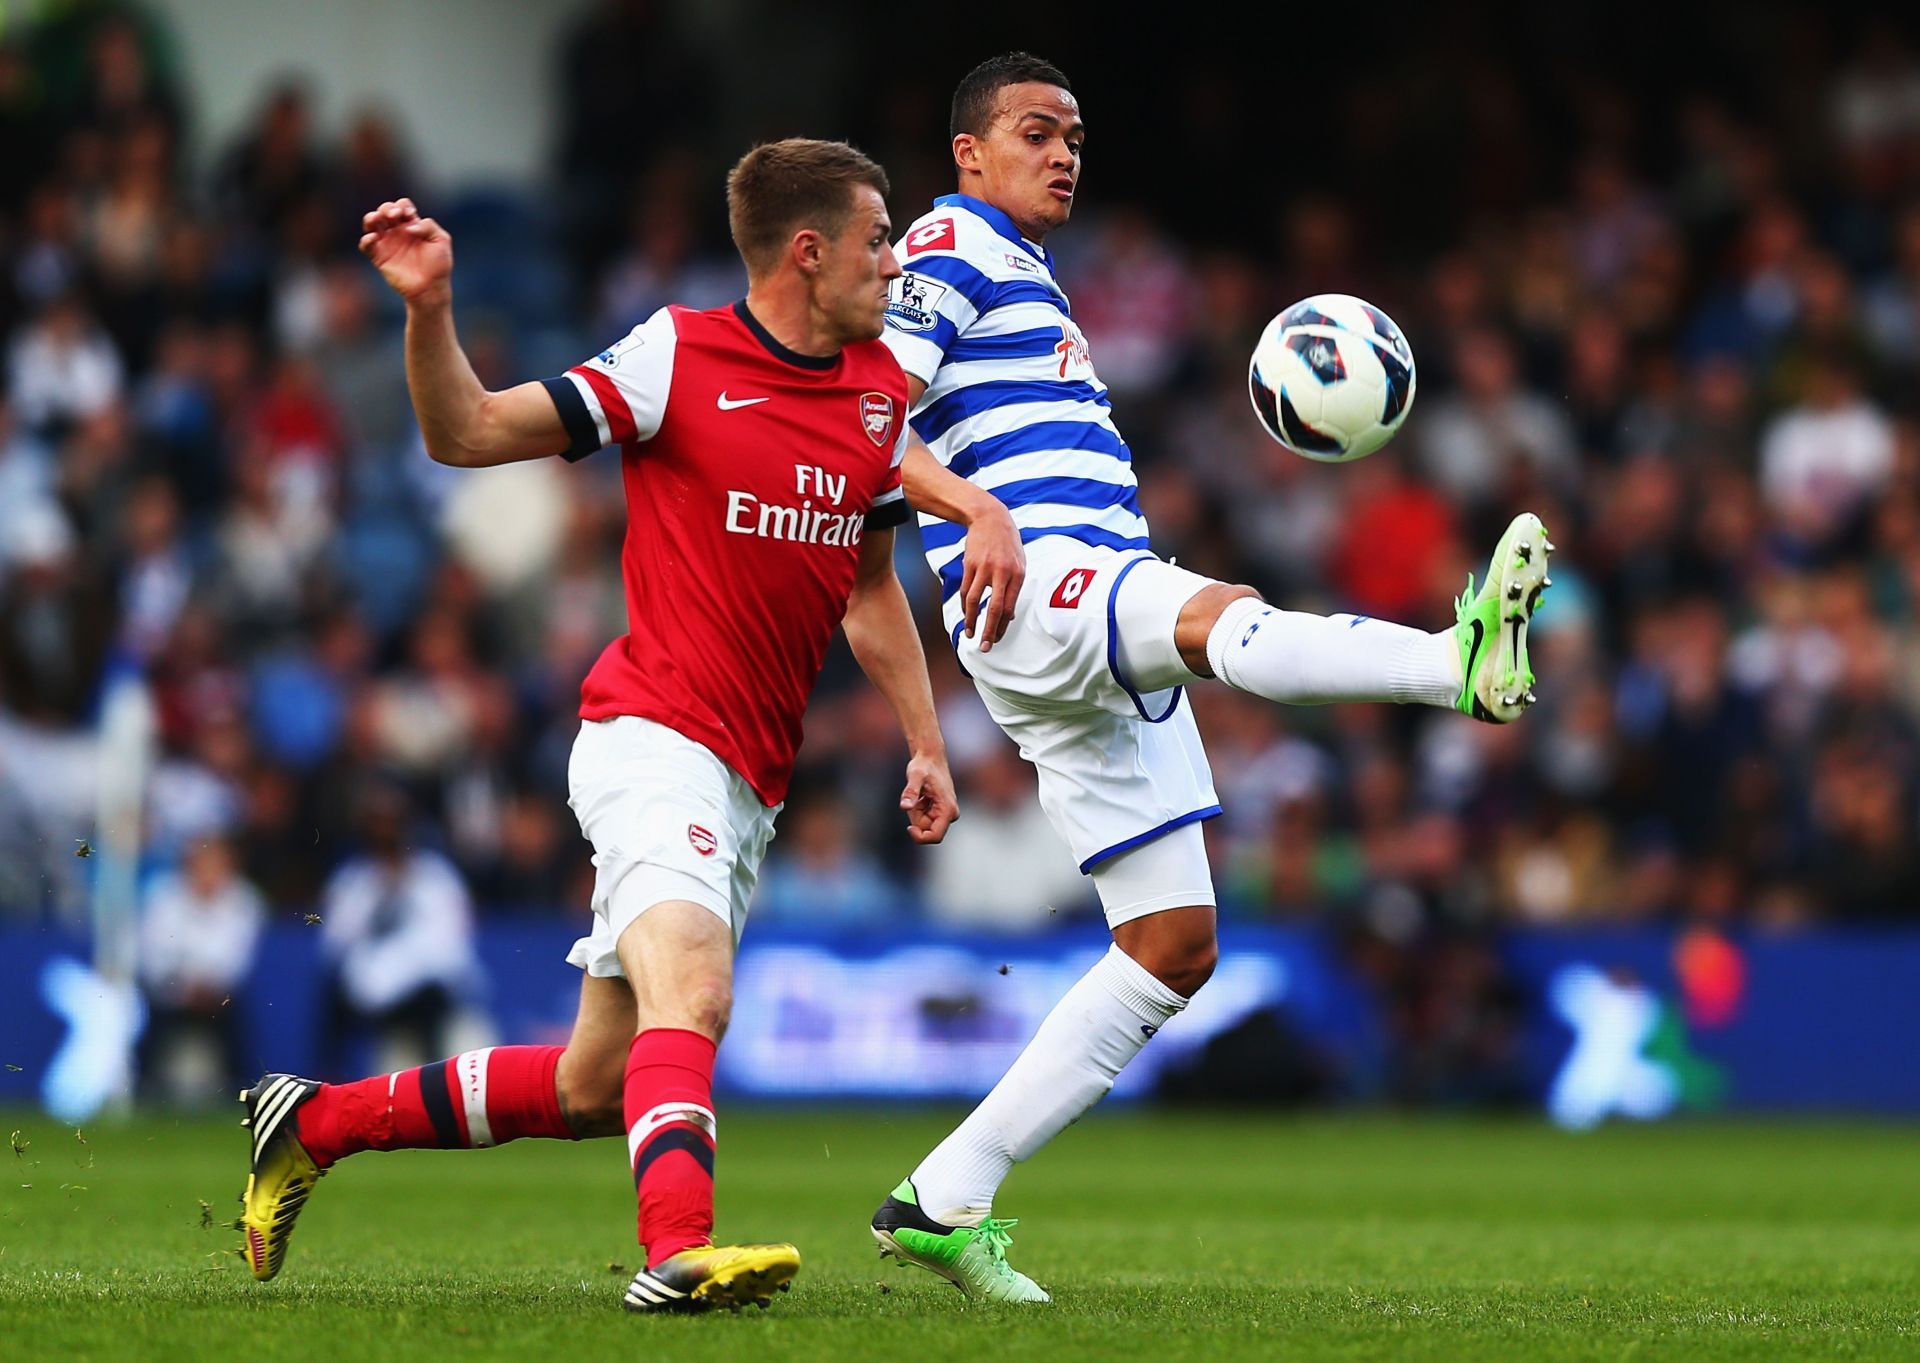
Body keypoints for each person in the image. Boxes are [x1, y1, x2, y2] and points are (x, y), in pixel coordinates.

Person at [866, 52, 1554, 1302]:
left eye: (1075, 134)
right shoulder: (949, 245)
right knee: (1218, 613)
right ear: (969, 151)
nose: (1064, 152)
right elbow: (859, 414)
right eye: (1035, 131)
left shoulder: (1023, 266)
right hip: (1033, 584)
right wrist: (979, 511)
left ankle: (942, 1196)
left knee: (1174, 945)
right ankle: (1457, 664)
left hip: (1064, 605)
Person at [237, 139, 961, 1315]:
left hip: (750, 778)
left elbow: (873, 585)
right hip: (652, 733)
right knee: (700, 993)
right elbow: (465, 431)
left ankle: (311, 1119)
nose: (897, 260)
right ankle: (676, 1254)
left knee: (593, 1083)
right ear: (810, 251)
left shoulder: (880, 390)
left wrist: (924, 740)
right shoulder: (679, 354)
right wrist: (432, 308)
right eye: (881, 238)